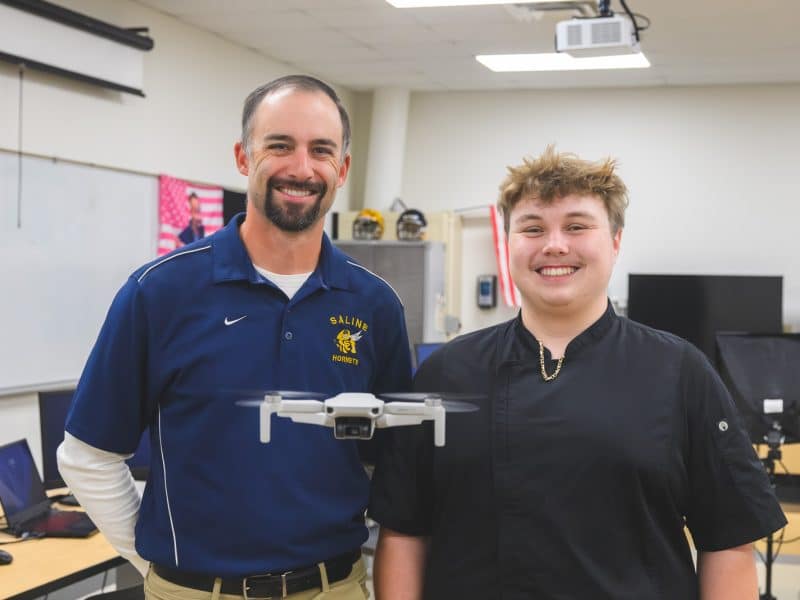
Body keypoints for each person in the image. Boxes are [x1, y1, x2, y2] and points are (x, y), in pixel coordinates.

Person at [368, 146, 787, 600]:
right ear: (508, 243)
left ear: (616, 241)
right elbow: (404, 533)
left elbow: (727, 540)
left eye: (576, 226)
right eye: (532, 228)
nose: (554, 245)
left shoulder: (681, 373)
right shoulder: (445, 374)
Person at [58, 75, 412, 599]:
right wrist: (158, 563)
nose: (301, 167)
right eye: (279, 145)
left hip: (333, 588)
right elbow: (87, 456)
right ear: (244, 158)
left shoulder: (374, 305)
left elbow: (390, 464)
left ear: (342, 168)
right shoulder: (160, 292)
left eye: (321, 150)